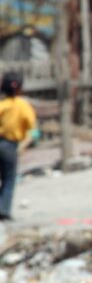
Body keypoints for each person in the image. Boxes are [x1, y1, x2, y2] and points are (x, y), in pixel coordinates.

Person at [0, 72, 37, 221]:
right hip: (10, 146)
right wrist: (24, 145)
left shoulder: (2, 105)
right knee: (9, 178)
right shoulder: (23, 106)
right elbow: (34, 131)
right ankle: (3, 210)